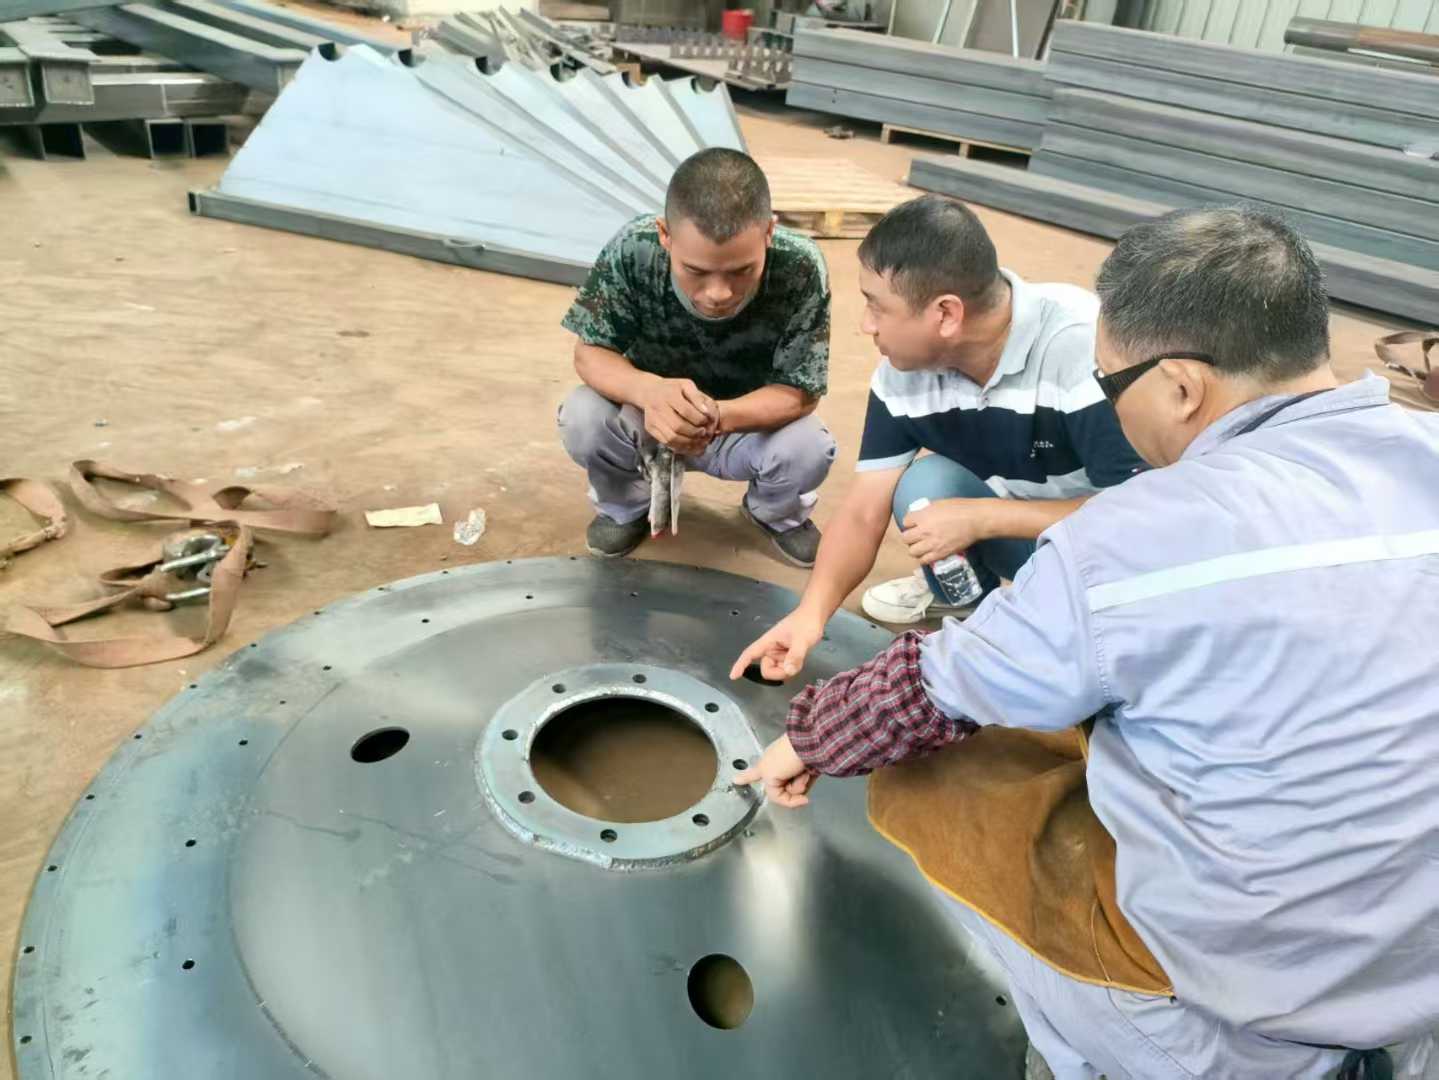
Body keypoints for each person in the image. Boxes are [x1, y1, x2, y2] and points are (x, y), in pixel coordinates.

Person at [733, 206, 1439, 1079]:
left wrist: (807, 738)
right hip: (1419, 971)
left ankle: (1096, 1046)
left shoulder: (1137, 536)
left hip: (1247, 1001)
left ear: (1179, 387)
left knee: (930, 783)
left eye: (1111, 386)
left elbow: (932, 688)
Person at [734, 194, 1144, 678]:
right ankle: (976, 612)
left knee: (1087, 654)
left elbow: (1144, 514)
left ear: (946, 313)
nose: (865, 325)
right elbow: (863, 511)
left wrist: (982, 518)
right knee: (925, 488)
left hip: (1110, 559)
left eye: (876, 306)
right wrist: (810, 616)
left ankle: (1064, 626)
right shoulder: (902, 376)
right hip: (1025, 533)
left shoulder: (1084, 349)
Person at [558, 148, 835, 567]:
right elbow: (591, 353)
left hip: (743, 425)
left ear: (769, 232)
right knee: (583, 416)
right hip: (647, 418)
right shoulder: (634, 249)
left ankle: (775, 512)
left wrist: (714, 416)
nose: (718, 293)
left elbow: (800, 392)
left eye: (741, 271)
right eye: (696, 271)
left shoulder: (800, 267)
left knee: (809, 446)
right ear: (664, 235)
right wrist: (650, 393)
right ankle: (625, 507)